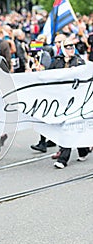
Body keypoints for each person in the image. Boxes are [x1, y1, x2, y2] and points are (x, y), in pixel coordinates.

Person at [50, 38, 90, 168]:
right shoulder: (56, 61)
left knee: (70, 126)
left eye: (72, 47)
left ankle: (63, 159)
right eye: (67, 47)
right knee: (64, 127)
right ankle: (83, 149)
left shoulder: (79, 61)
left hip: (75, 100)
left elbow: (85, 77)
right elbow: (48, 75)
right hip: (60, 100)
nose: (71, 49)